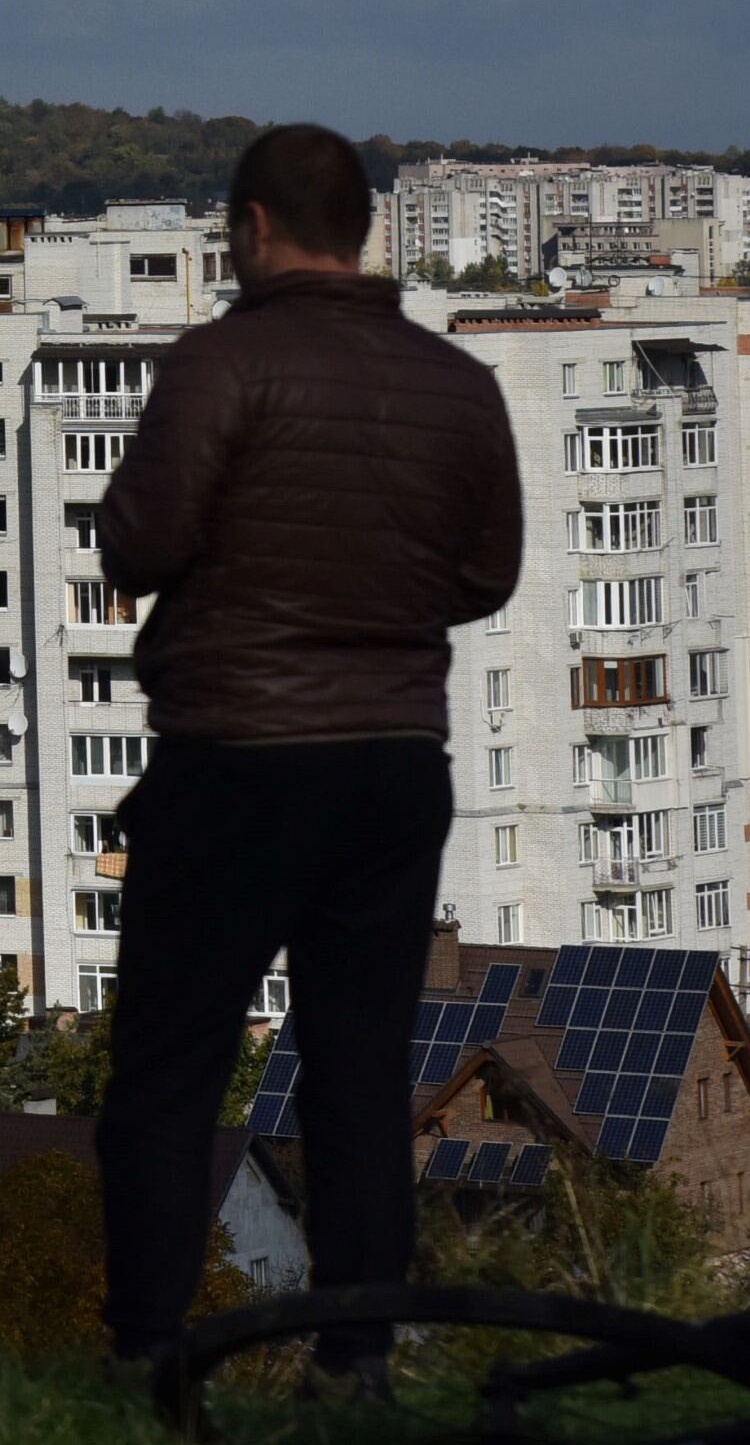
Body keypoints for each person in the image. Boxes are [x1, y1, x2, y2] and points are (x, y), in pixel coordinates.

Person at [91, 122, 522, 1369]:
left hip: (236, 751)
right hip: (396, 762)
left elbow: (145, 546)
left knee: (171, 1075)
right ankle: (359, 1369)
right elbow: (487, 573)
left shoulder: (220, 365)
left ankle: (150, 1357)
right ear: (367, 231)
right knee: (357, 1075)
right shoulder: (458, 384)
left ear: (253, 228)